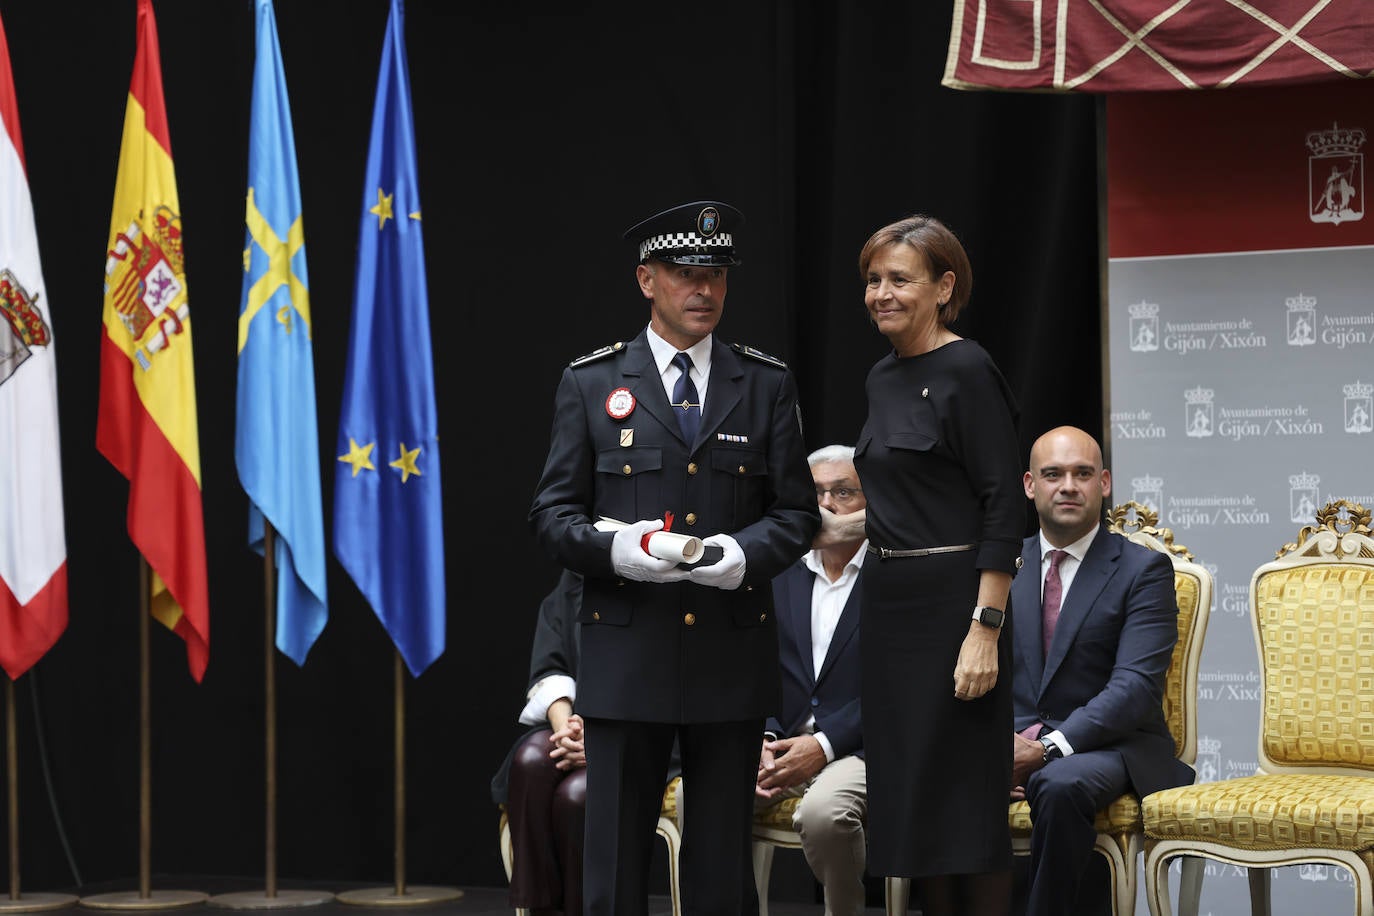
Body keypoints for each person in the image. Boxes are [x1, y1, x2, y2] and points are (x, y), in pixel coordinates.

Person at [528, 199, 820, 916]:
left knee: (721, 869)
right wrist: (619, 549)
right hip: (626, 659)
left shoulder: (765, 383)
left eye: (716, 274)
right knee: (617, 867)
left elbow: (797, 515)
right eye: (687, 273)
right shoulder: (593, 383)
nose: (705, 290)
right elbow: (551, 517)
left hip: (728, 658)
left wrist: (739, 556)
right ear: (646, 280)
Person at [851, 213, 1023, 916]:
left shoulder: (967, 368)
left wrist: (985, 627)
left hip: (956, 612)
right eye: (871, 280)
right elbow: (902, 498)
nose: (880, 293)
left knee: (963, 813)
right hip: (889, 611)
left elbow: (1003, 507)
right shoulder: (881, 377)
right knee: (913, 809)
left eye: (898, 279)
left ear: (944, 285)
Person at [1010, 425, 1193, 916]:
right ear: (1030, 485)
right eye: (1053, 474)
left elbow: (1134, 688)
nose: (1068, 485)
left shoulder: (1143, 571)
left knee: (1060, 782)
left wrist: (1045, 749)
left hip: (1111, 745)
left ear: (1105, 483)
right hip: (1012, 741)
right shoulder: (1003, 566)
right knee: (927, 772)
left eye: (1082, 473)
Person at [756, 444, 869, 916]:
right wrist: (759, 735)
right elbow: (751, 665)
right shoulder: (775, 571)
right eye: (816, 493)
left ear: (871, 503)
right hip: (779, 740)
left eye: (843, 492)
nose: (826, 506)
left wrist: (823, 745)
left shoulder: (899, 574)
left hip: (863, 744)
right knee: (714, 793)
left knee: (825, 813)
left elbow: (901, 689)